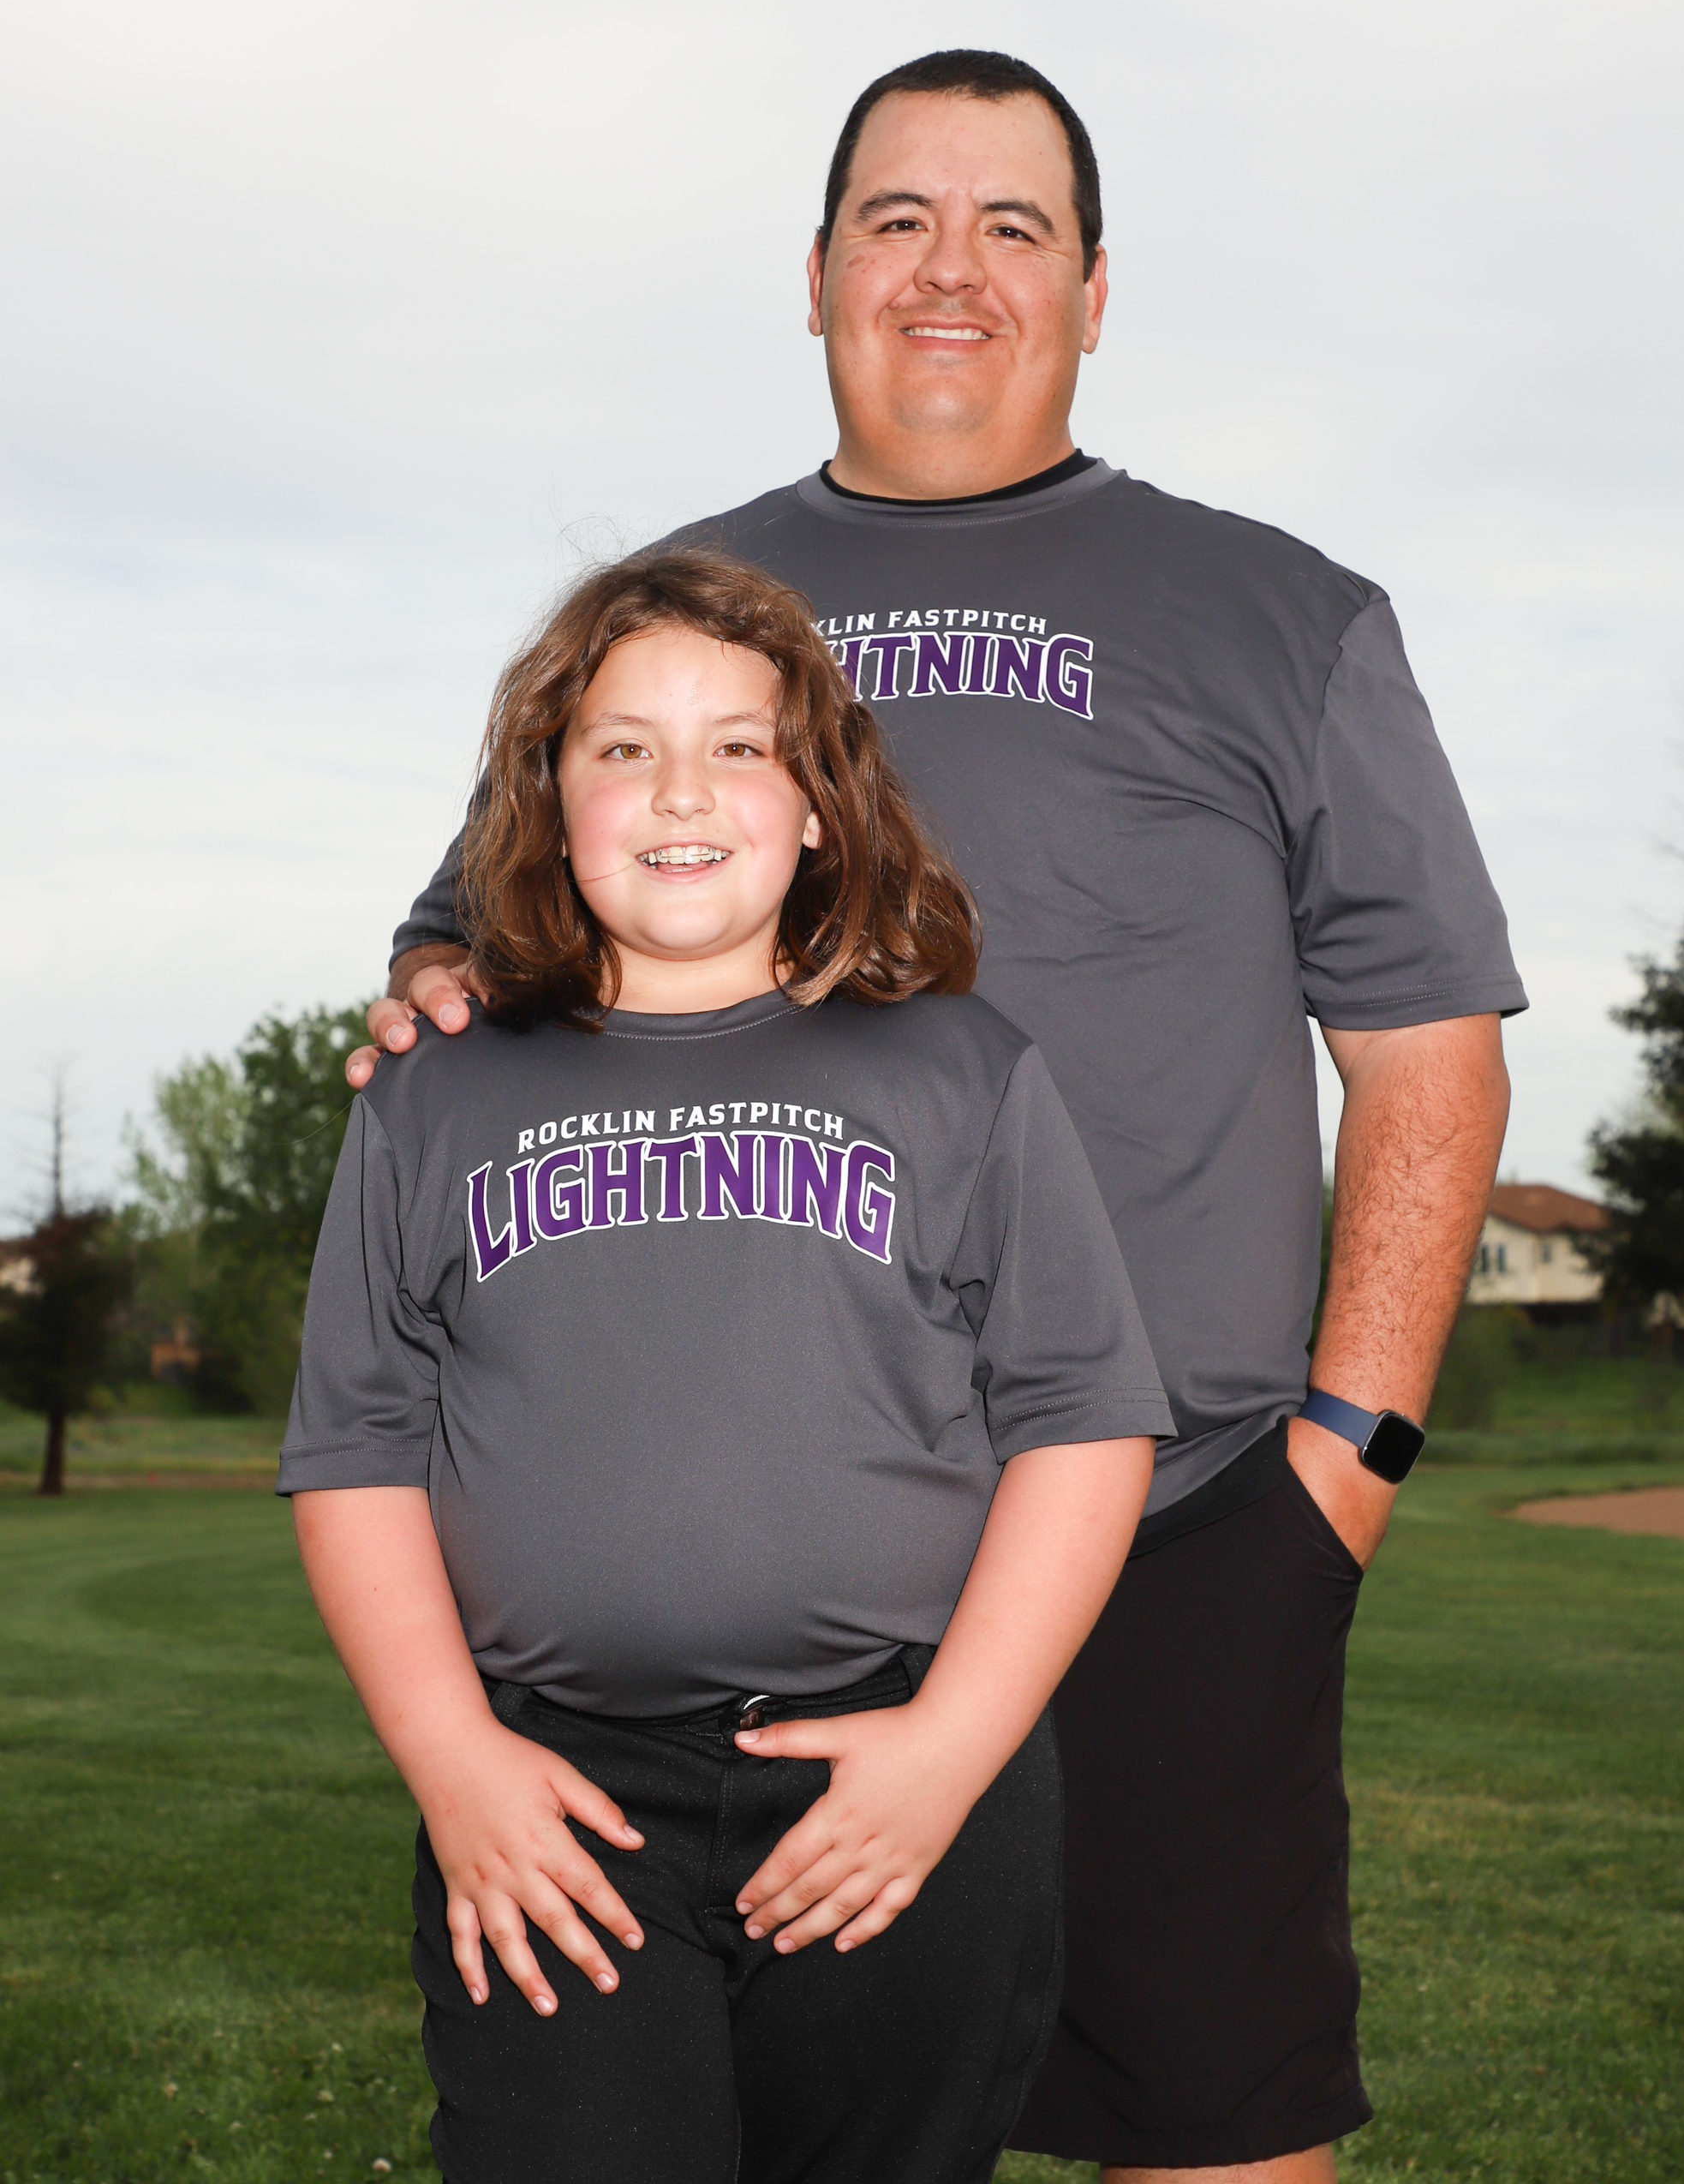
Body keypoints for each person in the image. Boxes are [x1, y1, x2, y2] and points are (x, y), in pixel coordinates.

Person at [352, 51, 1523, 2182]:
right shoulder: (668, 619)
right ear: (815, 276)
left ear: (1094, 287)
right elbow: (474, 947)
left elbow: (1426, 1053)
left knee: (1215, 2119)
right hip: (759, 1587)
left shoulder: (1282, 614)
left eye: (1011, 225)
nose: (949, 268)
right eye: (896, 220)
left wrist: (1338, 1463)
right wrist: (433, 989)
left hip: (1174, 1522)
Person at [283, 548, 1169, 2184]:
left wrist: (952, 1749)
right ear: (545, 804)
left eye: (740, 746)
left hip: (895, 1774)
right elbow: (355, 1450)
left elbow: (1081, 1422)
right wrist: (453, 1760)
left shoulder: (956, 1065)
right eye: (621, 747)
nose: (678, 789)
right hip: (557, 1792)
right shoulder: (435, 1093)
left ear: (820, 804)